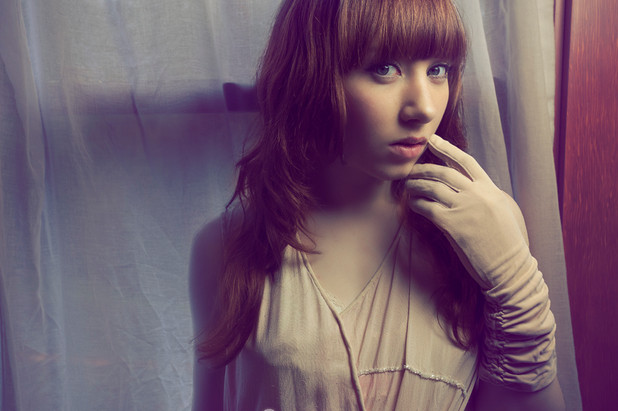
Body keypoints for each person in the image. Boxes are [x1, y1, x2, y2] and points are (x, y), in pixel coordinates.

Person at [190, 0, 566, 409]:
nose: (424, 108)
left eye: (438, 69)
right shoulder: (226, 245)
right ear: (310, 76)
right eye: (385, 68)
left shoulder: (486, 225)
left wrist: (516, 287)